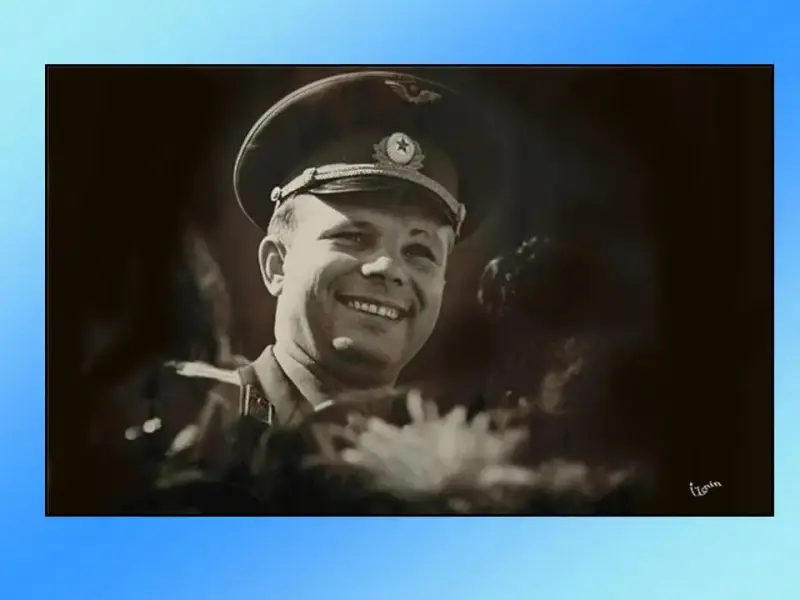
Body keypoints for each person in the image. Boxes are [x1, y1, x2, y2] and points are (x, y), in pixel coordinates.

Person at [125, 69, 518, 512]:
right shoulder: (179, 428)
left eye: (420, 252)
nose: (389, 268)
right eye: (353, 237)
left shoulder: (464, 477)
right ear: (276, 265)